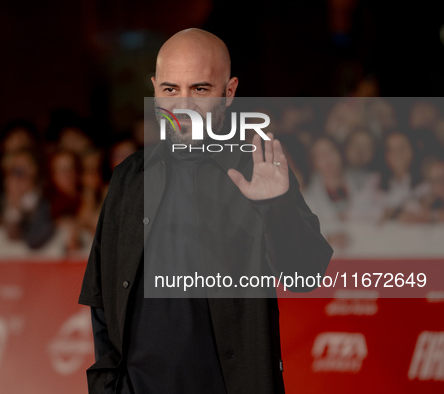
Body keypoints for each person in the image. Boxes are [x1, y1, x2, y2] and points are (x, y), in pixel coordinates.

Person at [79, 28, 333, 394]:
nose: (183, 104)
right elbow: (102, 303)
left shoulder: (257, 169)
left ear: (228, 92)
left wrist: (275, 207)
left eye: (199, 89)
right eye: (170, 89)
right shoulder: (129, 178)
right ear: (154, 90)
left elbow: (305, 275)